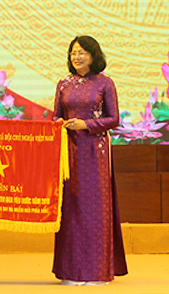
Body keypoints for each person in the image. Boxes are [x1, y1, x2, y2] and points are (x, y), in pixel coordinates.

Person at [52, 35, 128, 286]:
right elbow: (56, 116)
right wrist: (57, 126)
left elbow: (113, 119)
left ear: (94, 55)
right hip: (68, 152)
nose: (77, 56)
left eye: (83, 52)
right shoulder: (63, 83)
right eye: (73, 52)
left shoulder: (105, 83)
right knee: (70, 209)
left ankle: (96, 272)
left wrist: (87, 124)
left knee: (94, 209)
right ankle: (71, 271)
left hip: (95, 151)